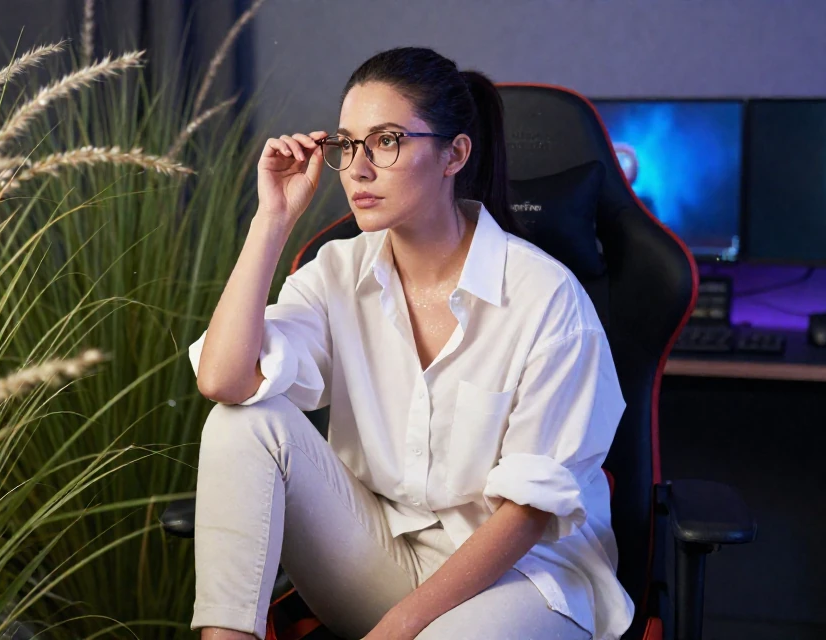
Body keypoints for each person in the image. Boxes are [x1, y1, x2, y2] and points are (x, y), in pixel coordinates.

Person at [188, 47, 632, 640]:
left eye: (388, 141)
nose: (359, 169)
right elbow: (223, 380)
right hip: (381, 560)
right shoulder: (337, 272)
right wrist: (271, 222)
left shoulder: (546, 298)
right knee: (240, 421)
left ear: (455, 153)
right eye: (347, 145)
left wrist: (400, 629)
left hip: (522, 579)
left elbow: (526, 517)